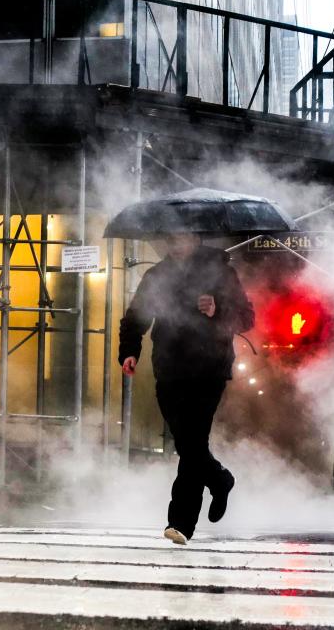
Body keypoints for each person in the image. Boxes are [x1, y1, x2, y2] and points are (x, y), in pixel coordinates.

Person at [118, 232, 254, 546]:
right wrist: (129, 351)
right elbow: (136, 317)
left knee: (192, 442)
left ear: (196, 238)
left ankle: (180, 522)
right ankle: (220, 479)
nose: (176, 241)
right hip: (169, 369)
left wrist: (216, 310)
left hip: (209, 369)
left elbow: (247, 317)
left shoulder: (220, 272)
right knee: (187, 443)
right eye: (172, 235)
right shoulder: (157, 275)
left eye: (184, 235)